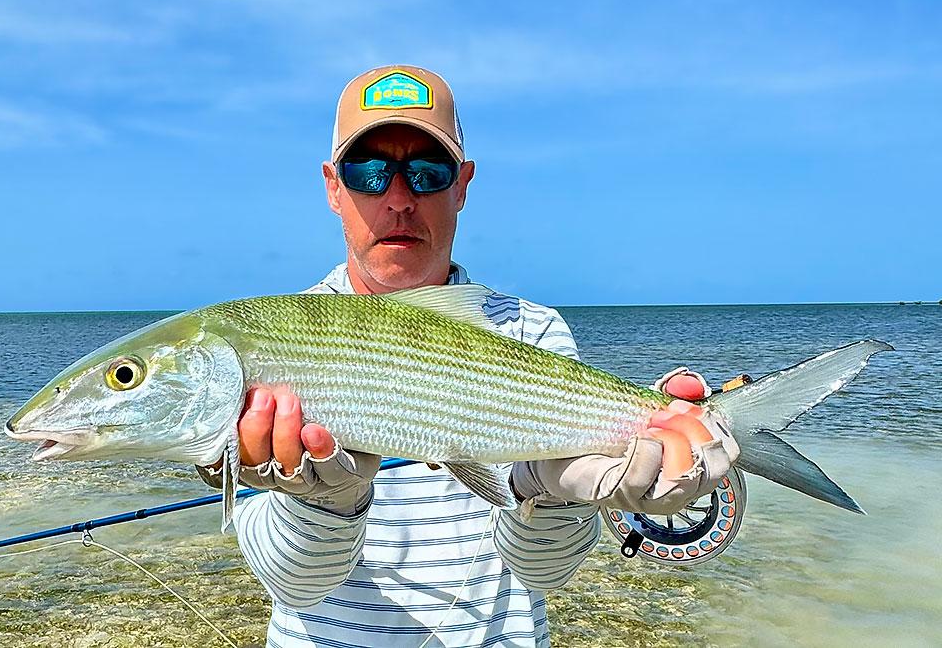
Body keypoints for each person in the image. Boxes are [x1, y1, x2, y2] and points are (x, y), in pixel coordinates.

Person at [198, 65, 737, 647]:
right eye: (370, 172)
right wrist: (328, 504)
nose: (399, 200)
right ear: (333, 187)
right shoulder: (270, 345)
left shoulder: (531, 332)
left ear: (462, 185)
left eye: (428, 173)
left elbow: (544, 574)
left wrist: (546, 493)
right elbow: (297, 587)